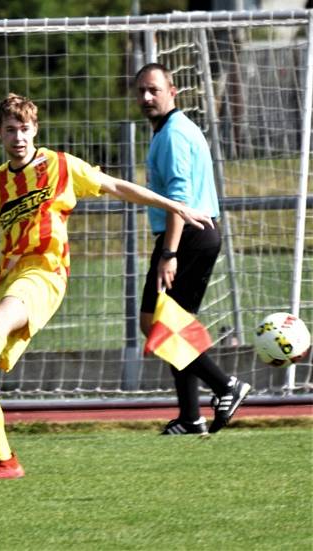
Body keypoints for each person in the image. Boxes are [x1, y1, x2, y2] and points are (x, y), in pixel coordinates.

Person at [0, 93, 215, 480]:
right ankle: (4, 462)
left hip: (46, 273)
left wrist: (174, 206)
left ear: (35, 130)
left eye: (25, 129)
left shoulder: (61, 166)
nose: (19, 137)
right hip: (8, 276)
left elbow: (115, 186)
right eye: (10, 130)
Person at [135, 63, 251, 435]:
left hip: (188, 236)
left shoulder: (172, 135)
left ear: (173, 92)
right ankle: (190, 417)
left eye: (154, 89)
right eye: (141, 91)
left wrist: (169, 254)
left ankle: (225, 386)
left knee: (158, 322)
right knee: (173, 325)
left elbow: (179, 200)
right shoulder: (173, 130)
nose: (146, 97)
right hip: (197, 235)